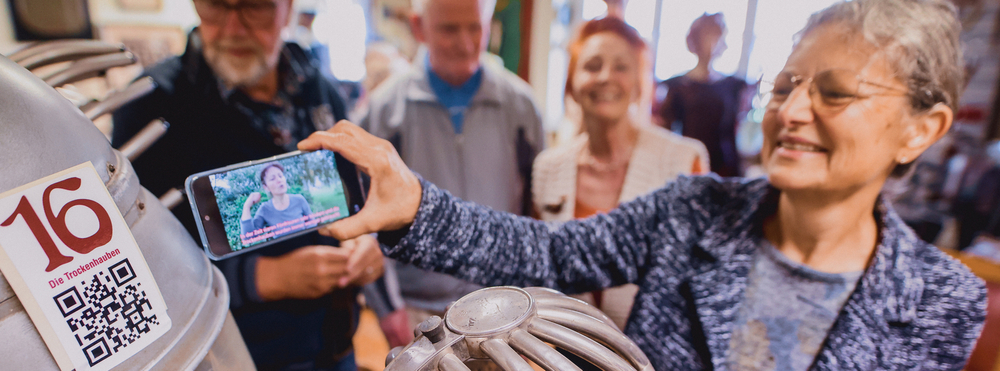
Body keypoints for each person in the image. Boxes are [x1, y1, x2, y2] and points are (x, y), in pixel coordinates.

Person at [302, 0, 988, 369]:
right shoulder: (695, 210)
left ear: (920, 129)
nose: (791, 111)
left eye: (835, 93)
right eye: (786, 85)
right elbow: (547, 253)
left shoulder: (944, 298)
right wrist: (417, 204)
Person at [110, 0, 383, 369]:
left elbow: (355, 195)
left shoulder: (318, 88)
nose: (233, 27)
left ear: (287, 8)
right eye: (215, 6)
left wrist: (365, 240)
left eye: (255, 7)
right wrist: (259, 278)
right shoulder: (150, 104)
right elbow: (133, 263)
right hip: (234, 356)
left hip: (335, 344)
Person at [357, 0, 544, 331]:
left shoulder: (520, 106)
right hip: (418, 312)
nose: (466, 44)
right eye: (449, 29)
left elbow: (537, 211)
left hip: (503, 307)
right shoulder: (384, 112)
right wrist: (388, 310)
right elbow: (366, 222)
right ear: (418, 27)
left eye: (476, 28)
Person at [532, 17, 709, 330]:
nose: (605, 77)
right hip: (567, 353)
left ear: (639, 82)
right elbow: (539, 273)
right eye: (592, 65)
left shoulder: (684, 160)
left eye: (621, 67)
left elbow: (696, 280)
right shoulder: (548, 167)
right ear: (571, 82)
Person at [657, 13, 748, 177]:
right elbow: (667, 133)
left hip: (726, 169)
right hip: (689, 166)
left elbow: (735, 131)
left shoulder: (734, 85)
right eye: (716, 37)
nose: (722, 44)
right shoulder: (677, 86)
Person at [240, 163, 313, 242]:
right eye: (272, 179)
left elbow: (312, 224)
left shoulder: (299, 200)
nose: (279, 180)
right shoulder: (265, 209)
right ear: (266, 187)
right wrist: (246, 206)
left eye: (280, 176)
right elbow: (248, 238)